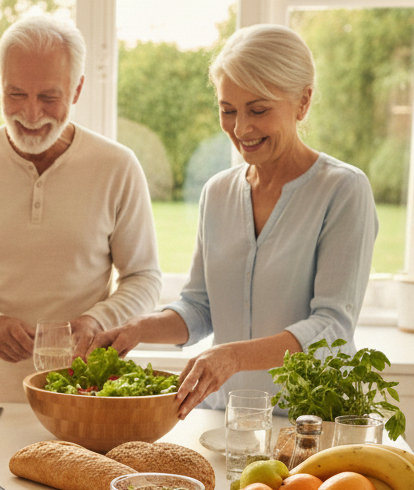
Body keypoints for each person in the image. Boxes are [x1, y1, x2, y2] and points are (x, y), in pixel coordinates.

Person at [96, 24, 378, 417]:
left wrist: (233, 357)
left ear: (303, 102)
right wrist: (137, 329)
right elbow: (200, 307)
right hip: (223, 418)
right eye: (228, 110)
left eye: (258, 110)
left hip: (307, 423)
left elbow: (331, 327)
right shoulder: (217, 193)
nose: (241, 128)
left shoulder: (343, 189)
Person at [0, 15, 162, 403]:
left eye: (48, 97)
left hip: (82, 398)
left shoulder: (117, 166)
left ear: (76, 90)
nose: (31, 114)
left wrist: (98, 321)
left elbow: (144, 278)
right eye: (16, 94)